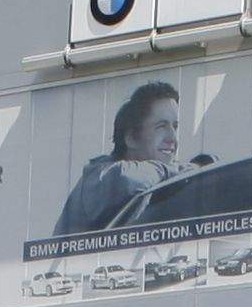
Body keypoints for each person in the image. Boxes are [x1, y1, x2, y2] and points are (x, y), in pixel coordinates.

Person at [54, 83, 187, 235]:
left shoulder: (159, 183)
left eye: (175, 127)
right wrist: (181, 170)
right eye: (161, 126)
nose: (172, 138)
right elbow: (127, 179)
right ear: (131, 138)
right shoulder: (101, 178)